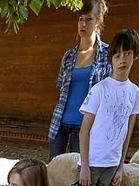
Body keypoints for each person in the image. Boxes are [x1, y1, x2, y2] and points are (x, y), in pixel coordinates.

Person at [66, 28, 139, 186]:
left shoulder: (134, 92)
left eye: (127, 53)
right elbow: (84, 130)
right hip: (92, 162)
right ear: (111, 60)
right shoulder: (100, 89)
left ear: (135, 55)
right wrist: (85, 166)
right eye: (117, 55)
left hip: (110, 166)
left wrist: (120, 166)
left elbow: (127, 132)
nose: (122, 59)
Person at [48, 0, 111, 161]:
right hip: (60, 123)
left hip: (86, 126)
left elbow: (108, 93)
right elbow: (61, 88)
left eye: (88, 19)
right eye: (80, 19)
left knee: (77, 172)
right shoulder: (69, 56)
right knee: (54, 171)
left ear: (98, 21)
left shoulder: (107, 54)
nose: (83, 24)